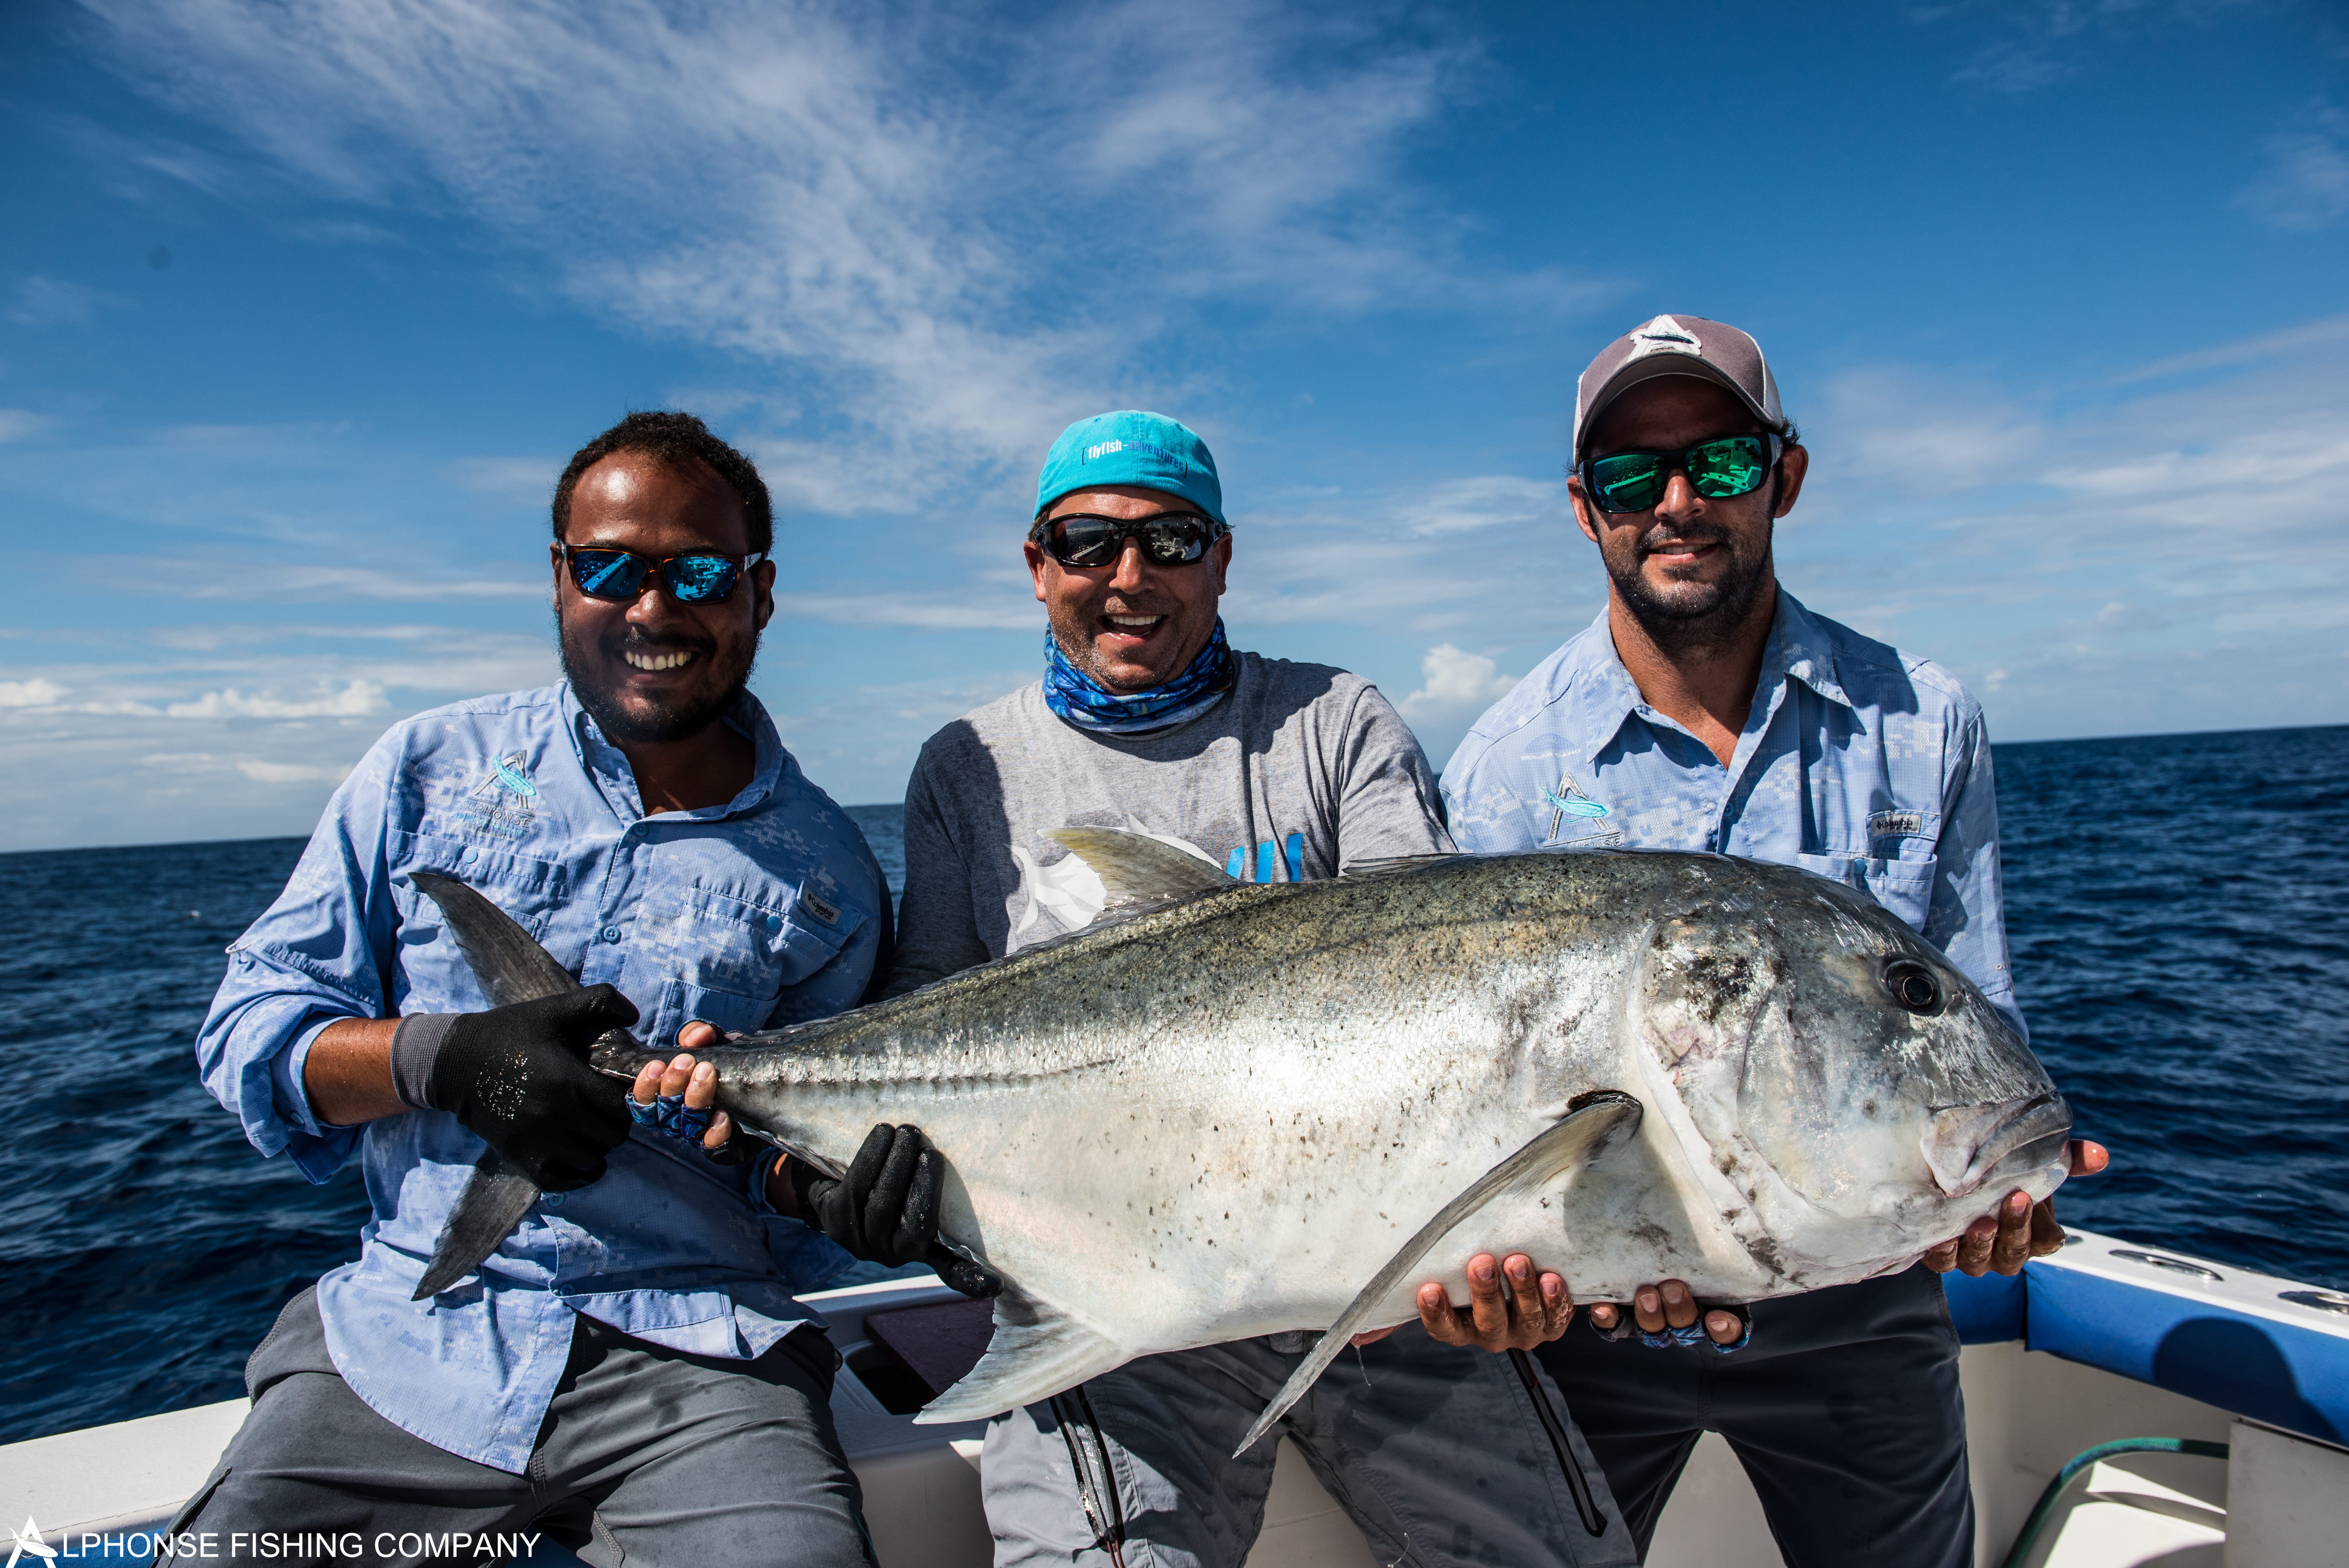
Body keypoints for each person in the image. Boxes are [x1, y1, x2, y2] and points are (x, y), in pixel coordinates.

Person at [180, 412, 979, 1566]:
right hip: (408, 1344)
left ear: (759, 594)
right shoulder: (426, 771)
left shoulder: (830, 875)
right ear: (561, 580)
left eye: (699, 573)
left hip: (710, 1362)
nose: (654, 609)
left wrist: (838, 1199)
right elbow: (248, 1034)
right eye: (612, 567)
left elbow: (784, 1178)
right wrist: (445, 1061)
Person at [886, 410, 1640, 1568]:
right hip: (1119, 1307)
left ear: (1223, 557)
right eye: (1087, 544)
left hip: (1388, 1301)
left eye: (1173, 540)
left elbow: (1444, 994)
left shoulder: (1332, 722)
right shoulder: (967, 766)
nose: (1129, 577)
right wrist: (871, 1179)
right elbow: (919, 1022)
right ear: (1039, 569)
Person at [1440, 315, 2109, 1566]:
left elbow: (1978, 1020)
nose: (1680, 503)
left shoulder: (1921, 721)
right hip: (1593, 1331)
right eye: (1635, 477)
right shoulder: (1501, 766)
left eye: (1724, 464)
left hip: (1865, 1316)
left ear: (1785, 478)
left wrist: (1996, 1195)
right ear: (1587, 511)